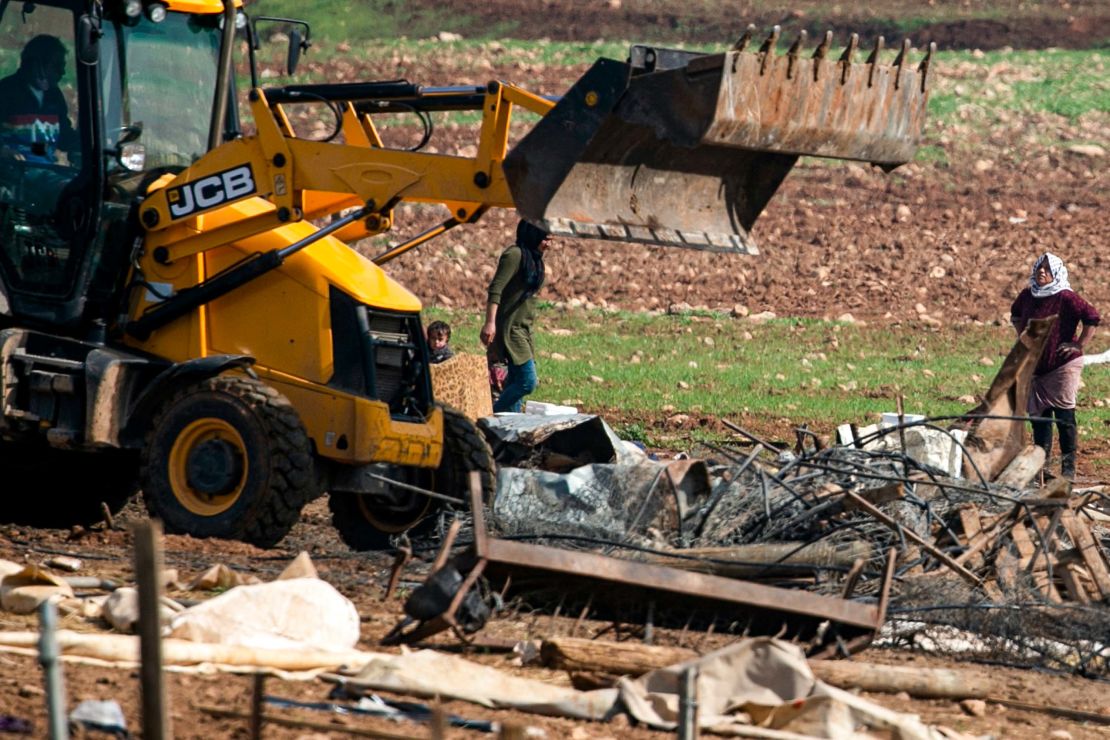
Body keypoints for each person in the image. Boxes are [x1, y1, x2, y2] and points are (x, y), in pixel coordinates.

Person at [1010, 252, 1101, 480]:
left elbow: (1092, 317)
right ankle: (1043, 468)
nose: (1042, 272)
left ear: (1056, 273)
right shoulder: (1028, 295)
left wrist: (1078, 345)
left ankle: (1068, 470)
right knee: (1039, 417)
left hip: (1063, 366)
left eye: (1048, 270)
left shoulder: (1066, 297)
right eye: (1039, 268)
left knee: (1064, 416)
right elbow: (1015, 314)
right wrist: (1023, 337)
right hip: (1037, 368)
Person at [480, 220, 552, 413]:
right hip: (510, 330)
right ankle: (489, 416)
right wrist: (490, 323)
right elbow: (496, 289)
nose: (548, 244)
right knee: (527, 382)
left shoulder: (534, 260)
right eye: (545, 239)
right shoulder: (515, 255)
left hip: (523, 329)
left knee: (514, 382)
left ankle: (506, 430)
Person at [0, 34, 79, 163]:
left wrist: (90, 145)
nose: (62, 72)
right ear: (37, 64)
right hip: (15, 173)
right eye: (57, 65)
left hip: (46, 169)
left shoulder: (54, 95)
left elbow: (64, 136)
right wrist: (3, 152)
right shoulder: (6, 91)